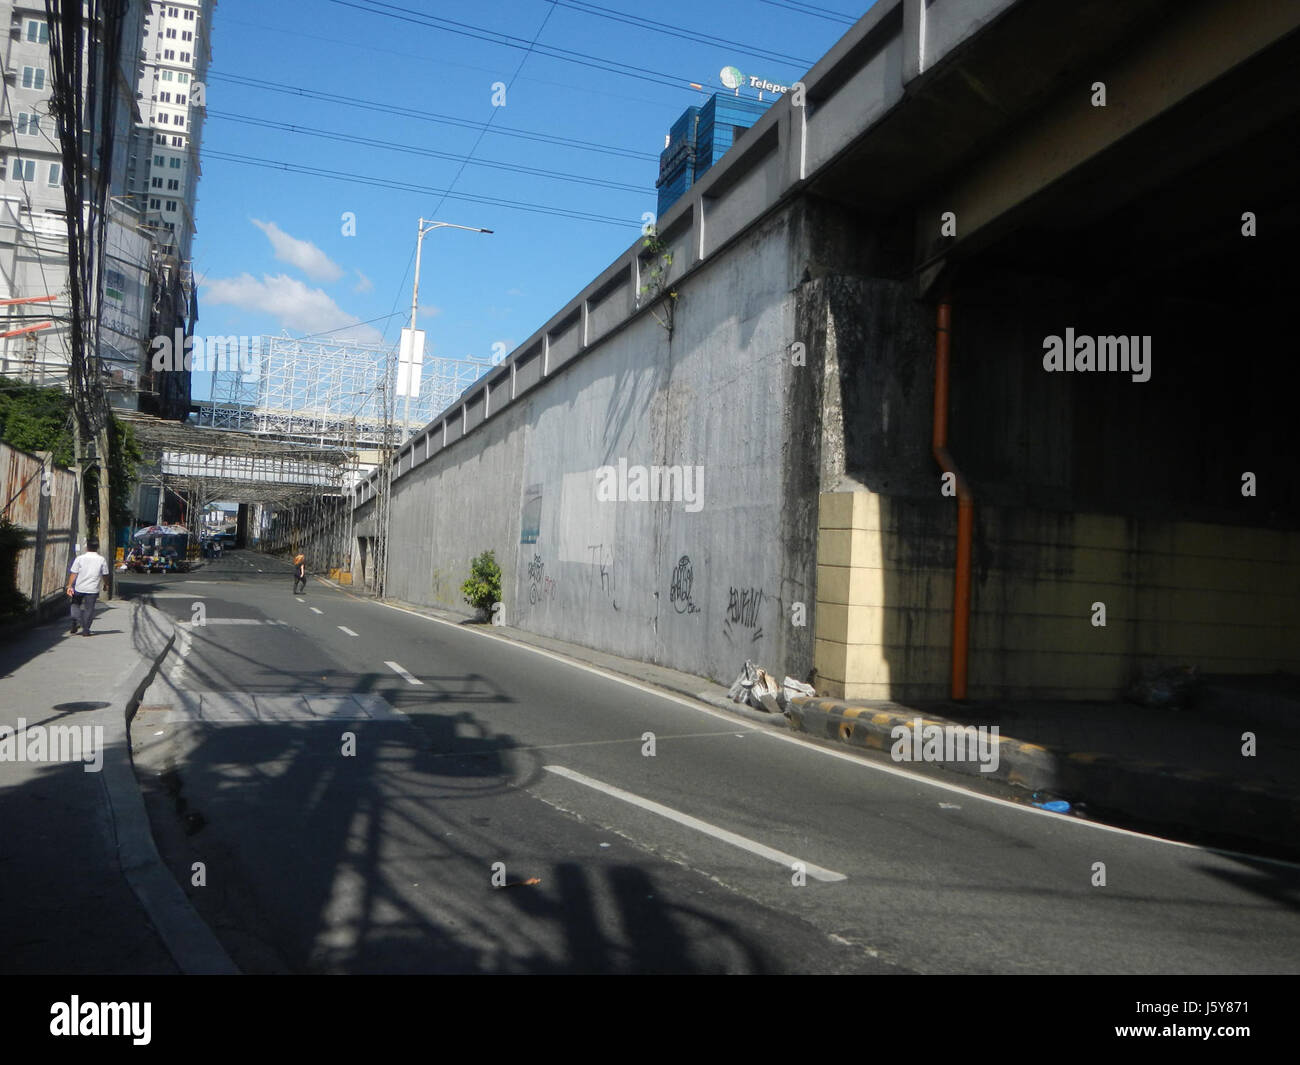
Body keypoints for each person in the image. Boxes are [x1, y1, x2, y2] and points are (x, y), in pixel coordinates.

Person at [66, 537, 110, 637]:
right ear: (97, 547)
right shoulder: (101, 559)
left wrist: (69, 585)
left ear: (87, 547)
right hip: (93, 589)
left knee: (74, 605)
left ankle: (78, 621)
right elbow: (105, 574)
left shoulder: (80, 558)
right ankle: (86, 629)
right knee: (89, 609)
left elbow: (74, 573)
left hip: (79, 587)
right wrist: (106, 584)